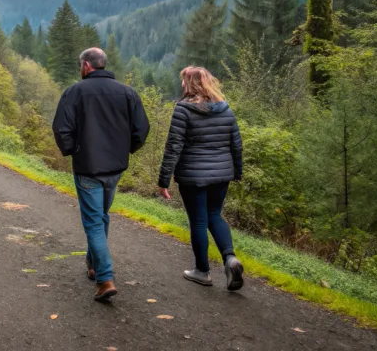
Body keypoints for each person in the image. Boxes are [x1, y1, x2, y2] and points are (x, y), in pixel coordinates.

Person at [52, 47, 150, 302]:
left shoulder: (74, 92)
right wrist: (126, 150)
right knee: (101, 216)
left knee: (94, 221)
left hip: (87, 168)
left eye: (79, 65)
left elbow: (62, 128)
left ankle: (105, 279)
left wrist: (73, 151)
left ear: (86, 65)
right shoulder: (127, 93)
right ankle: (93, 264)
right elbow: (141, 129)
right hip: (115, 168)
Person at [157, 66, 245, 291]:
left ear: (188, 83)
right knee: (215, 214)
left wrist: (164, 179)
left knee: (198, 221)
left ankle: (202, 271)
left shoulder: (183, 110)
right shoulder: (226, 109)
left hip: (193, 175)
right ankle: (230, 258)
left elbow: (173, 147)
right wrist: (237, 172)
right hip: (221, 174)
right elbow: (236, 144)